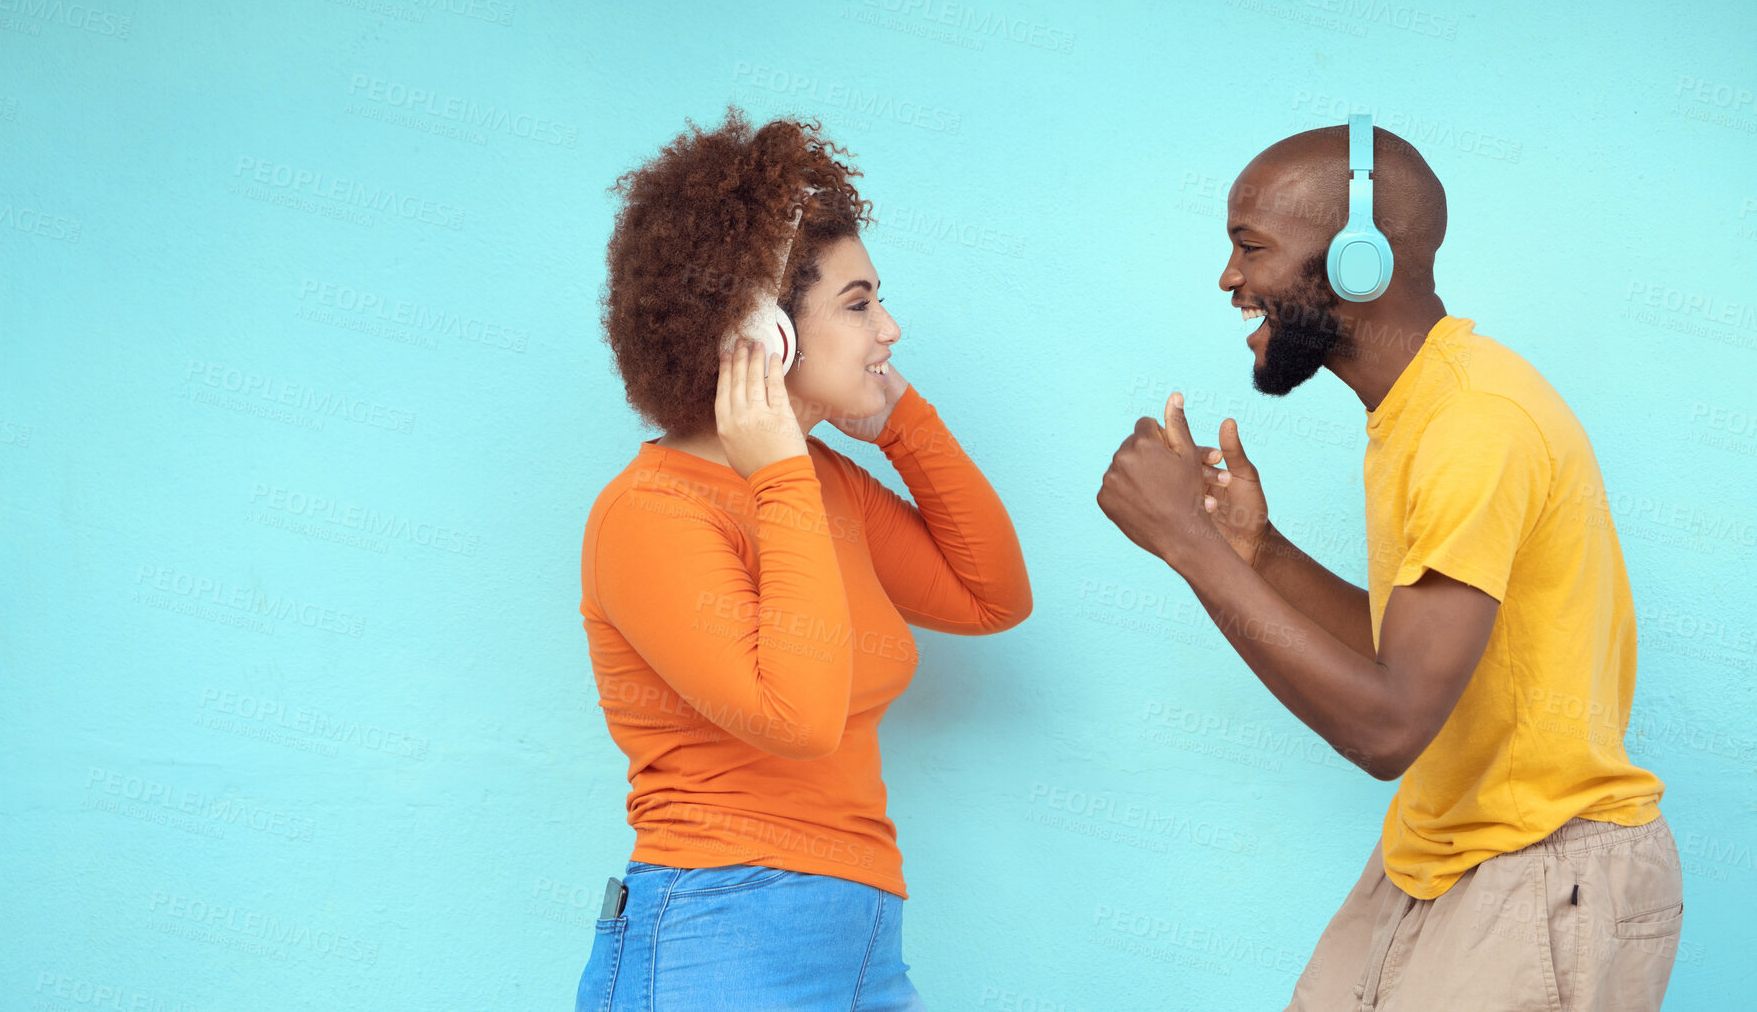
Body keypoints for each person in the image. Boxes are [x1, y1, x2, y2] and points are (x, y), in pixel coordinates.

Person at [1095, 122, 1680, 1010]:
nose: (1229, 279)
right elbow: (1404, 657)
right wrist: (1256, 550)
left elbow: (1388, 726)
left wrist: (1188, 545)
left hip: (1542, 865)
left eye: (1250, 248)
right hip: (1441, 850)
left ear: (1358, 264)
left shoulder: (1473, 425)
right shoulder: (1421, 407)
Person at [576, 106, 1033, 1011]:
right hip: (716, 926)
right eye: (858, 305)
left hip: (863, 933)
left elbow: (992, 597)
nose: (889, 328)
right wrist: (781, 471)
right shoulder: (647, 513)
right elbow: (798, 714)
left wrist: (900, 423)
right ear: (760, 331)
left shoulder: (824, 485)